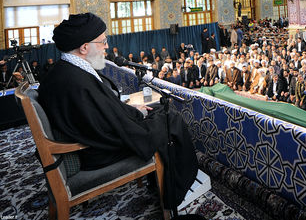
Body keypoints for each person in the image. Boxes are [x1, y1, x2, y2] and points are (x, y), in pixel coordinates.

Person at [38, 13, 198, 210]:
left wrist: (130, 110)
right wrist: (136, 115)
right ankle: (175, 189)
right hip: (96, 151)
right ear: (84, 47)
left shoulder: (64, 70)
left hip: (89, 140)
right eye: (103, 42)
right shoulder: (76, 82)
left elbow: (100, 112)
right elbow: (106, 123)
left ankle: (164, 181)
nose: (106, 47)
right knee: (170, 118)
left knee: (155, 110)